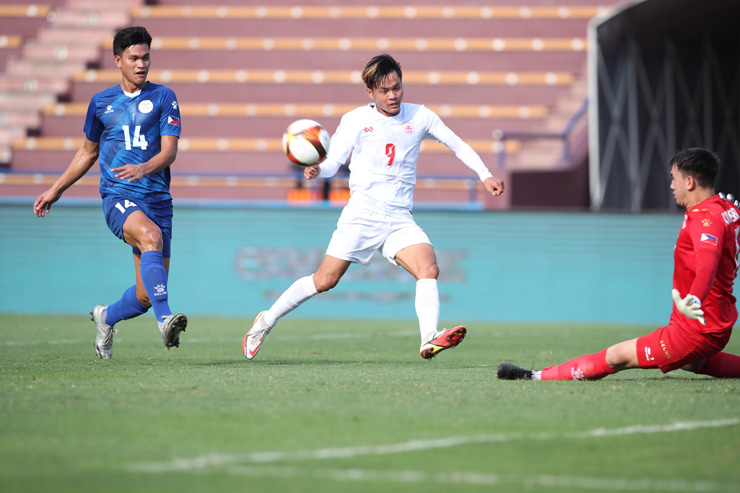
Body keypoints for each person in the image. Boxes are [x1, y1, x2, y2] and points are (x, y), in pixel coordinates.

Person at [243, 53, 505, 361]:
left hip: (399, 218)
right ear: (370, 93)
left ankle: (428, 337)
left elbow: (457, 144)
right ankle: (265, 321)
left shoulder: (421, 116)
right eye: (385, 90)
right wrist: (318, 171)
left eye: (397, 87)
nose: (393, 95)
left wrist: (485, 174)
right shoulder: (355, 120)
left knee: (428, 268)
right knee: (324, 281)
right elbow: (334, 163)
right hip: (362, 215)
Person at [498, 148, 740, 380]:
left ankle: (535, 376)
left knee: (616, 357)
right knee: (691, 361)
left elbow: (708, 264)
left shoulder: (705, 219)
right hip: (717, 321)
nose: (671, 186)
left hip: (697, 327)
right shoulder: (725, 208)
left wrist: (695, 298)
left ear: (689, 182)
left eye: (674, 179)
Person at [33, 26, 187, 359]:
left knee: (146, 296)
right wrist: (55, 189)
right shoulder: (101, 103)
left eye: (146, 57)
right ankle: (165, 321)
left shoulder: (164, 97)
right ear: (118, 60)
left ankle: (105, 317)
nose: (141, 64)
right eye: (134, 58)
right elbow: (87, 152)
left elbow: (169, 152)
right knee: (150, 236)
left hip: (157, 198)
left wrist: (144, 168)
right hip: (119, 196)